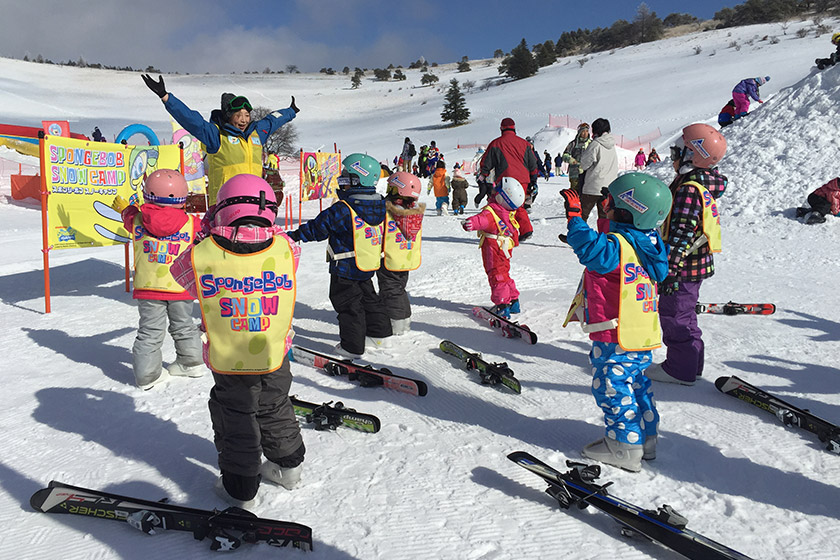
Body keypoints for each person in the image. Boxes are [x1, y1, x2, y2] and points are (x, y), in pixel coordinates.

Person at [170, 174, 305, 508]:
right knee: (274, 404)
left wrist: (206, 232)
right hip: (275, 349)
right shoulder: (288, 248)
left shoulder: (202, 254)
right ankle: (288, 468)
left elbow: (182, 276)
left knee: (237, 413)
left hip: (229, 354)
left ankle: (240, 486)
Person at [558, 173, 670, 472]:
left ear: (626, 209)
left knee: (611, 386)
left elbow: (591, 250)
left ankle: (624, 446)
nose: (604, 203)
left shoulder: (615, 248)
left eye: (609, 200)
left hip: (614, 333)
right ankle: (646, 438)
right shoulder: (649, 241)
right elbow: (614, 235)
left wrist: (575, 218)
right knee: (637, 385)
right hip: (639, 332)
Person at [286, 153, 392, 358]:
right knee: (369, 298)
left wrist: (294, 236)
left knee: (348, 304)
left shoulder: (343, 209)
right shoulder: (380, 204)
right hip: (367, 263)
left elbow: (318, 228)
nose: (341, 182)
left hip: (344, 268)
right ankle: (380, 335)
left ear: (357, 180)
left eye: (345, 178)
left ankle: (352, 347)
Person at [645, 123, 728, 386]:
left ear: (693, 155)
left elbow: (681, 233)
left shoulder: (689, 189)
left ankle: (680, 370)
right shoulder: (697, 183)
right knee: (686, 314)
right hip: (693, 265)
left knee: (675, 315)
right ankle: (692, 364)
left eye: (677, 152)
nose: (673, 158)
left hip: (683, 267)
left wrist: (669, 272)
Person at [110, 169, 204, 390]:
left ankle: (148, 376)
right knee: (184, 325)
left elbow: (128, 216)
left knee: (150, 331)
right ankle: (191, 363)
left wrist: (125, 208)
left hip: (149, 287)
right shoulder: (192, 224)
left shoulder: (138, 220)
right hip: (181, 286)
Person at [141, 73, 298, 204]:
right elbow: (191, 120)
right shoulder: (216, 135)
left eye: (247, 115)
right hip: (225, 203)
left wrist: (291, 111)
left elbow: (272, 120)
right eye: (238, 116)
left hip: (254, 200)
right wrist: (166, 97)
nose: (243, 120)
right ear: (229, 117)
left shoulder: (256, 134)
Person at [462, 178, 525, 318]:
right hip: (505, 250)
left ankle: (502, 306)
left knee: (496, 276)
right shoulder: (508, 213)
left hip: (493, 250)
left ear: (502, 198)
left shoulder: (493, 211)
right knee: (504, 274)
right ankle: (514, 301)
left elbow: (482, 220)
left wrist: (470, 223)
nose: (492, 192)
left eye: (496, 191)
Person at [378, 172, 425, 335]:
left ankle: (395, 324)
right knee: (398, 289)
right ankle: (404, 320)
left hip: (389, 257)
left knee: (390, 290)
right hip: (406, 258)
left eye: (391, 188)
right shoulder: (413, 211)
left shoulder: (388, 208)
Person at [478, 118, 539, 241]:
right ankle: (526, 230)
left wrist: (483, 175)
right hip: (523, 180)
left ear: (501, 129)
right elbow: (533, 164)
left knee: (503, 208)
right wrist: (533, 179)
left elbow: (486, 162)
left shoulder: (495, 143)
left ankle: (511, 234)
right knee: (518, 206)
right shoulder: (525, 144)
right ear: (514, 128)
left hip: (505, 180)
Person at [578, 118, 618, 221]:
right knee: (605, 217)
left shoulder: (595, 144)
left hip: (593, 186)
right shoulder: (612, 145)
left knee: (582, 214)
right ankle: (604, 235)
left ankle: (577, 235)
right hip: (609, 186)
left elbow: (585, 163)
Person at [562, 123, 591, 191]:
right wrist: (571, 160)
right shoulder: (573, 144)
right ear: (579, 132)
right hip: (575, 173)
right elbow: (565, 155)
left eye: (586, 131)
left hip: (588, 174)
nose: (585, 133)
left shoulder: (591, 144)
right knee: (575, 193)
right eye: (583, 131)